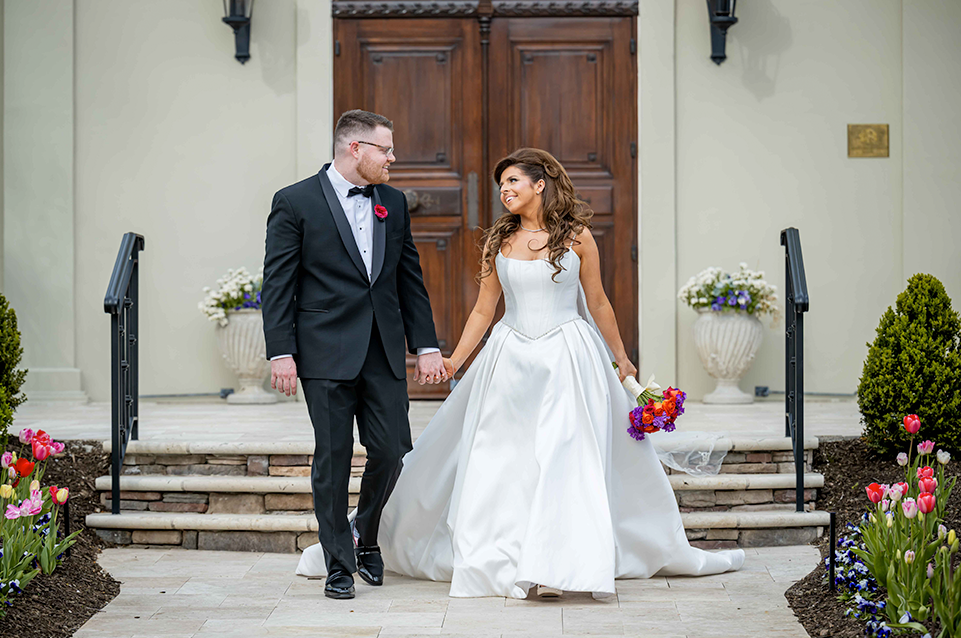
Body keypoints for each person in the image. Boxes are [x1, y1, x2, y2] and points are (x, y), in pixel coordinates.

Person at [298, 147, 745, 599]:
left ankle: (555, 567)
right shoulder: (499, 240)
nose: (505, 191)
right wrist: (457, 359)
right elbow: (483, 310)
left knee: (564, 455)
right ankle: (513, 558)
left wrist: (621, 356)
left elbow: (599, 302)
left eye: (513, 181)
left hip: (568, 358)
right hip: (509, 361)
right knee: (506, 462)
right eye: (501, 185)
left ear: (540, 184)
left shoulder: (578, 237)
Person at [262, 109, 449, 600]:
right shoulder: (295, 201)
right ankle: (338, 561)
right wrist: (281, 350)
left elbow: (409, 277)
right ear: (355, 149)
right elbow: (278, 282)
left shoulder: (392, 202)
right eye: (385, 149)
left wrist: (426, 344)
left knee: (392, 450)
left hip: (382, 350)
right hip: (323, 352)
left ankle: (366, 533)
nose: (392, 158)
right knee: (334, 456)